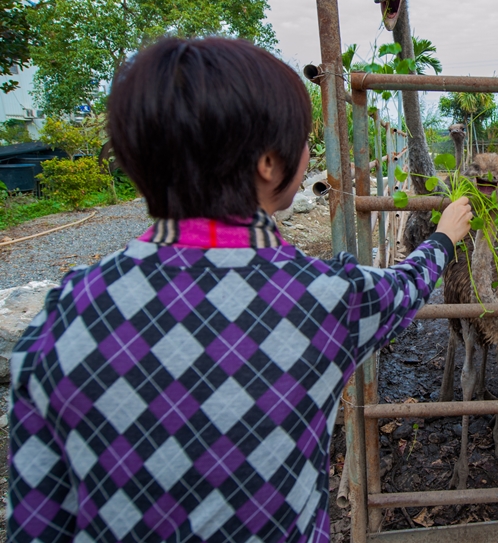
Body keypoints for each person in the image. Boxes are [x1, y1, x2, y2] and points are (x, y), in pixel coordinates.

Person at [6, 37, 472, 543]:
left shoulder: (59, 319)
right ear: (270, 163)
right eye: (304, 141)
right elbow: (406, 287)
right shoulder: (326, 301)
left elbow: (38, 522)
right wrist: (444, 237)